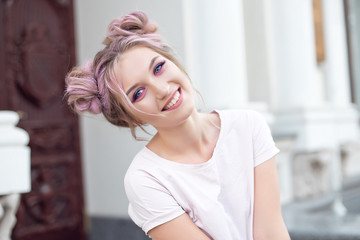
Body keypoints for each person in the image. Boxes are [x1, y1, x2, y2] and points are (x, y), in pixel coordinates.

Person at [65, 11, 290, 240]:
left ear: (173, 62)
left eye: (159, 68)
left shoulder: (248, 126)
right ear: (130, 119)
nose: (162, 90)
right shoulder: (146, 178)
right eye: (139, 93)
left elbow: (271, 231)